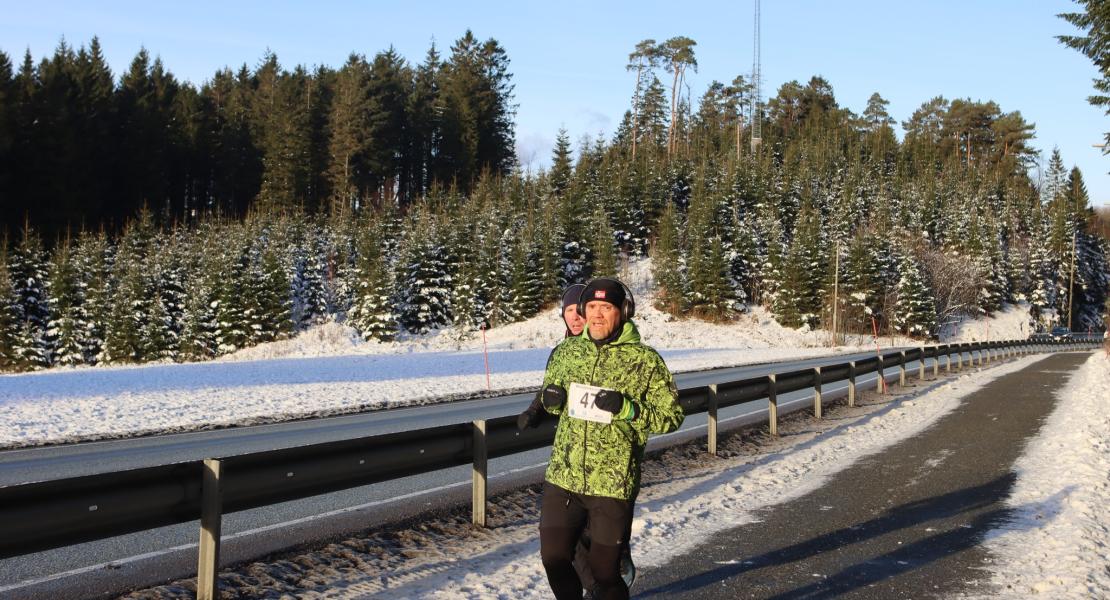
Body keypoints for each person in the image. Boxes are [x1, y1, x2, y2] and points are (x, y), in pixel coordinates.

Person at [536, 277, 684, 600]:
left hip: (612, 483)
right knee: (555, 559)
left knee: (604, 575)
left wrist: (628, 409)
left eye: (606, 307)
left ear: (624, 311)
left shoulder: (646, 361)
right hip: (564, 476)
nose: (597, 315)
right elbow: (553, 401)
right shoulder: (566, 352)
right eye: (591, 307)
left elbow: (672, 416)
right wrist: (551, 401)